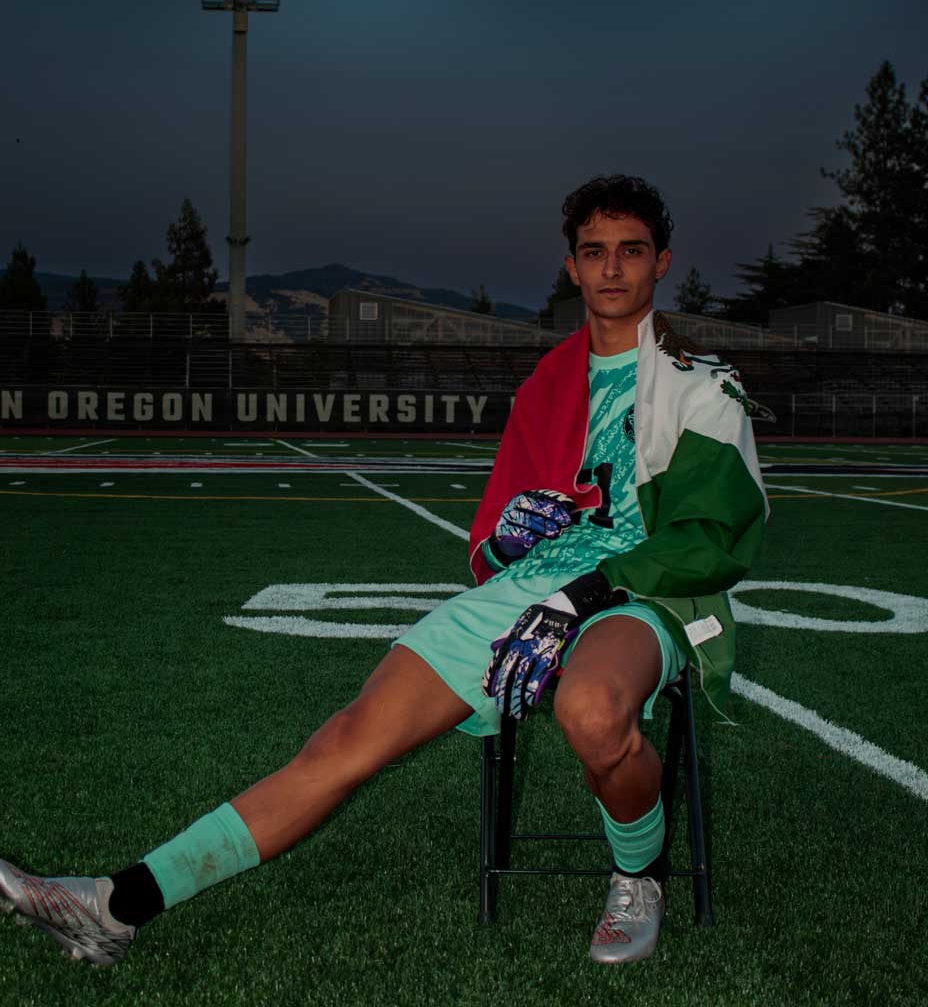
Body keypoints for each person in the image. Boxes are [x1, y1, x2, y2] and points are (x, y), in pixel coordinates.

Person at [0, 174, 767, 969]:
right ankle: (113, 907)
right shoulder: (546, 386)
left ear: (661, 262)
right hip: (530, 591)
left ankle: (638, 875)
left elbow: (710, 538)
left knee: (592, 710)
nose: (612, 269)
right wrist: (510, 537)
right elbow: (489, 546)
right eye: (594, 253)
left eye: (630, 252)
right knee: (343, 742)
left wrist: (579, 599)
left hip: (642, 593)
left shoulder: (703, 386)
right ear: (572, 268)